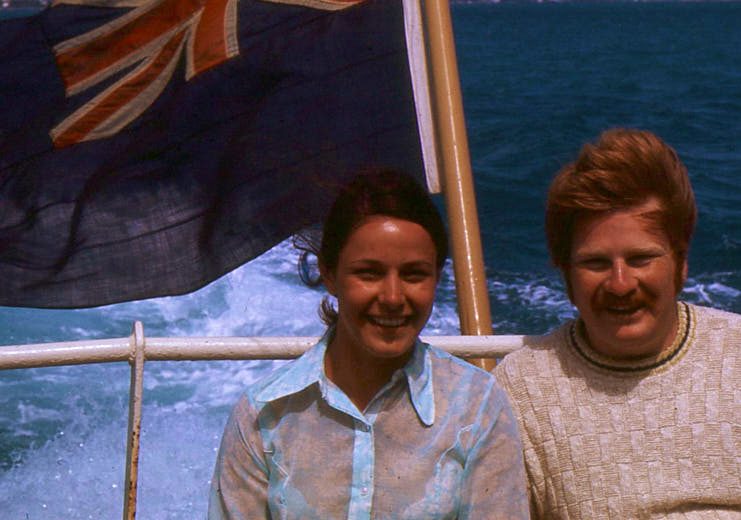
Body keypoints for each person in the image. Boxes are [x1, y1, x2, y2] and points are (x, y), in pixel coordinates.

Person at [493, 129, 741, 520]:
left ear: (681, 263)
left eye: (641, 259)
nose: (621, 283)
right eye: (596, 263)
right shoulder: (521, 387)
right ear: (565, 274)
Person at [209, 168, 529, 519]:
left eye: (413, 274)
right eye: (369, 273)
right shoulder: (264, 414)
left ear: (437, 278)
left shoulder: (476, 407)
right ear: (329, 274)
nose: (393, 296)